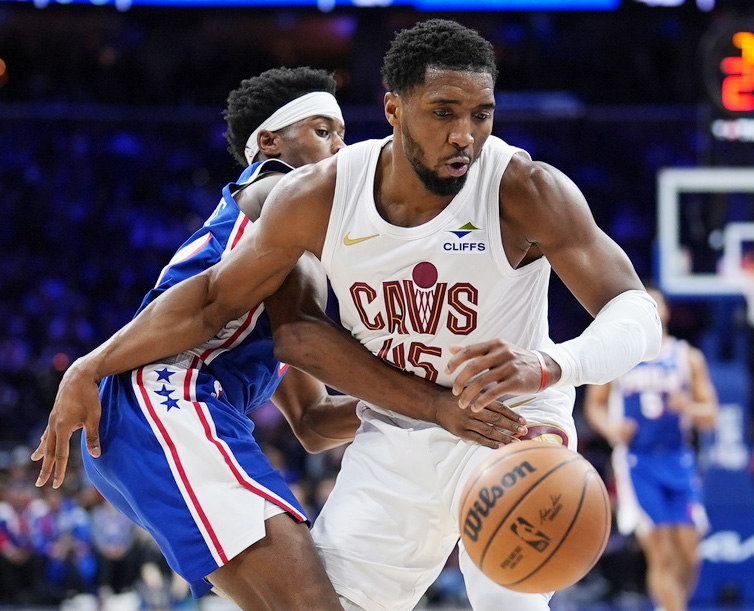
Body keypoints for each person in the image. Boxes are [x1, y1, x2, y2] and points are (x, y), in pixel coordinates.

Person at [33, 20, 662, 610]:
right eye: (444, 112)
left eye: (481, 114)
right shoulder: (317, 194)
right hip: (399, 431)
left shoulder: (522, 187)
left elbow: (638, 313)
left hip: (506, 420)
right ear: (393, 110)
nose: (465, 135)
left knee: (507, 594)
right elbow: (221, 302)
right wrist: (89, 366)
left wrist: (551, 364)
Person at [584, 286, 718, 611]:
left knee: (690, 553)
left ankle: (668, 606)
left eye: (655, 305)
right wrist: (612, 428)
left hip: (678, 459)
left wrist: (688, 407)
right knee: (662, 553)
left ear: (666, 312)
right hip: (637, 462)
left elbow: (711, 415)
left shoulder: (687, 357)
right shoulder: (620, 356)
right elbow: (594, 406)